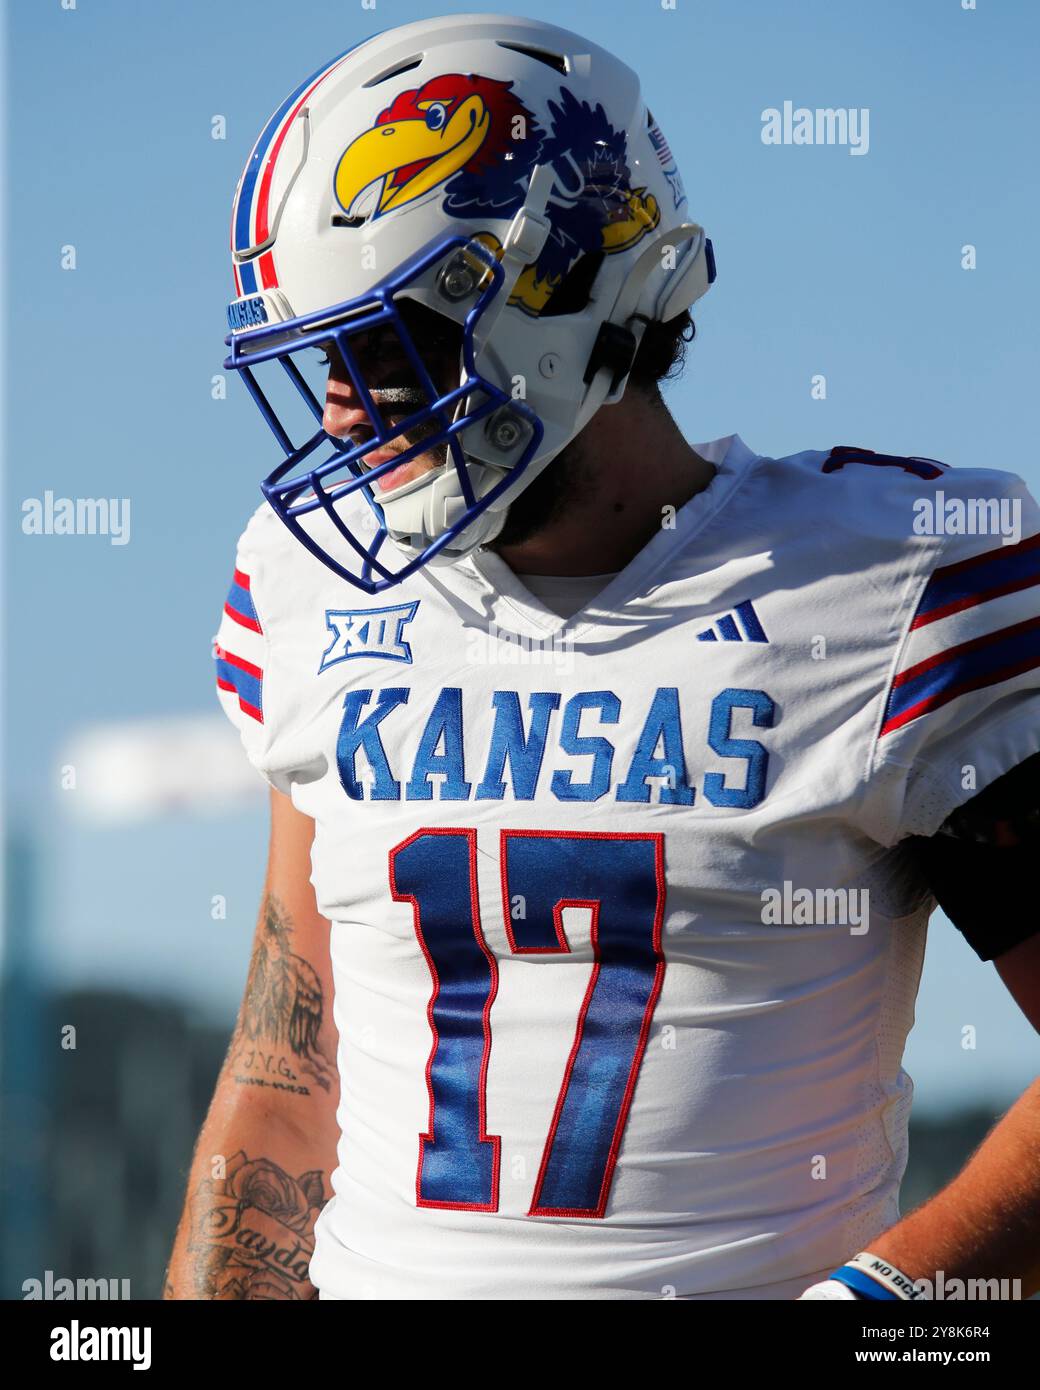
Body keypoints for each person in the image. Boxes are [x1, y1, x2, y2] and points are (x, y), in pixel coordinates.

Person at [166, 13, 1040, 1301]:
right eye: (323, 359)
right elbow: (287, 1083)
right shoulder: (308, 592)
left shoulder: (888, 581)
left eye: (384, 349)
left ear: (565, 297)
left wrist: (892, 1302)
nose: (343, 411)